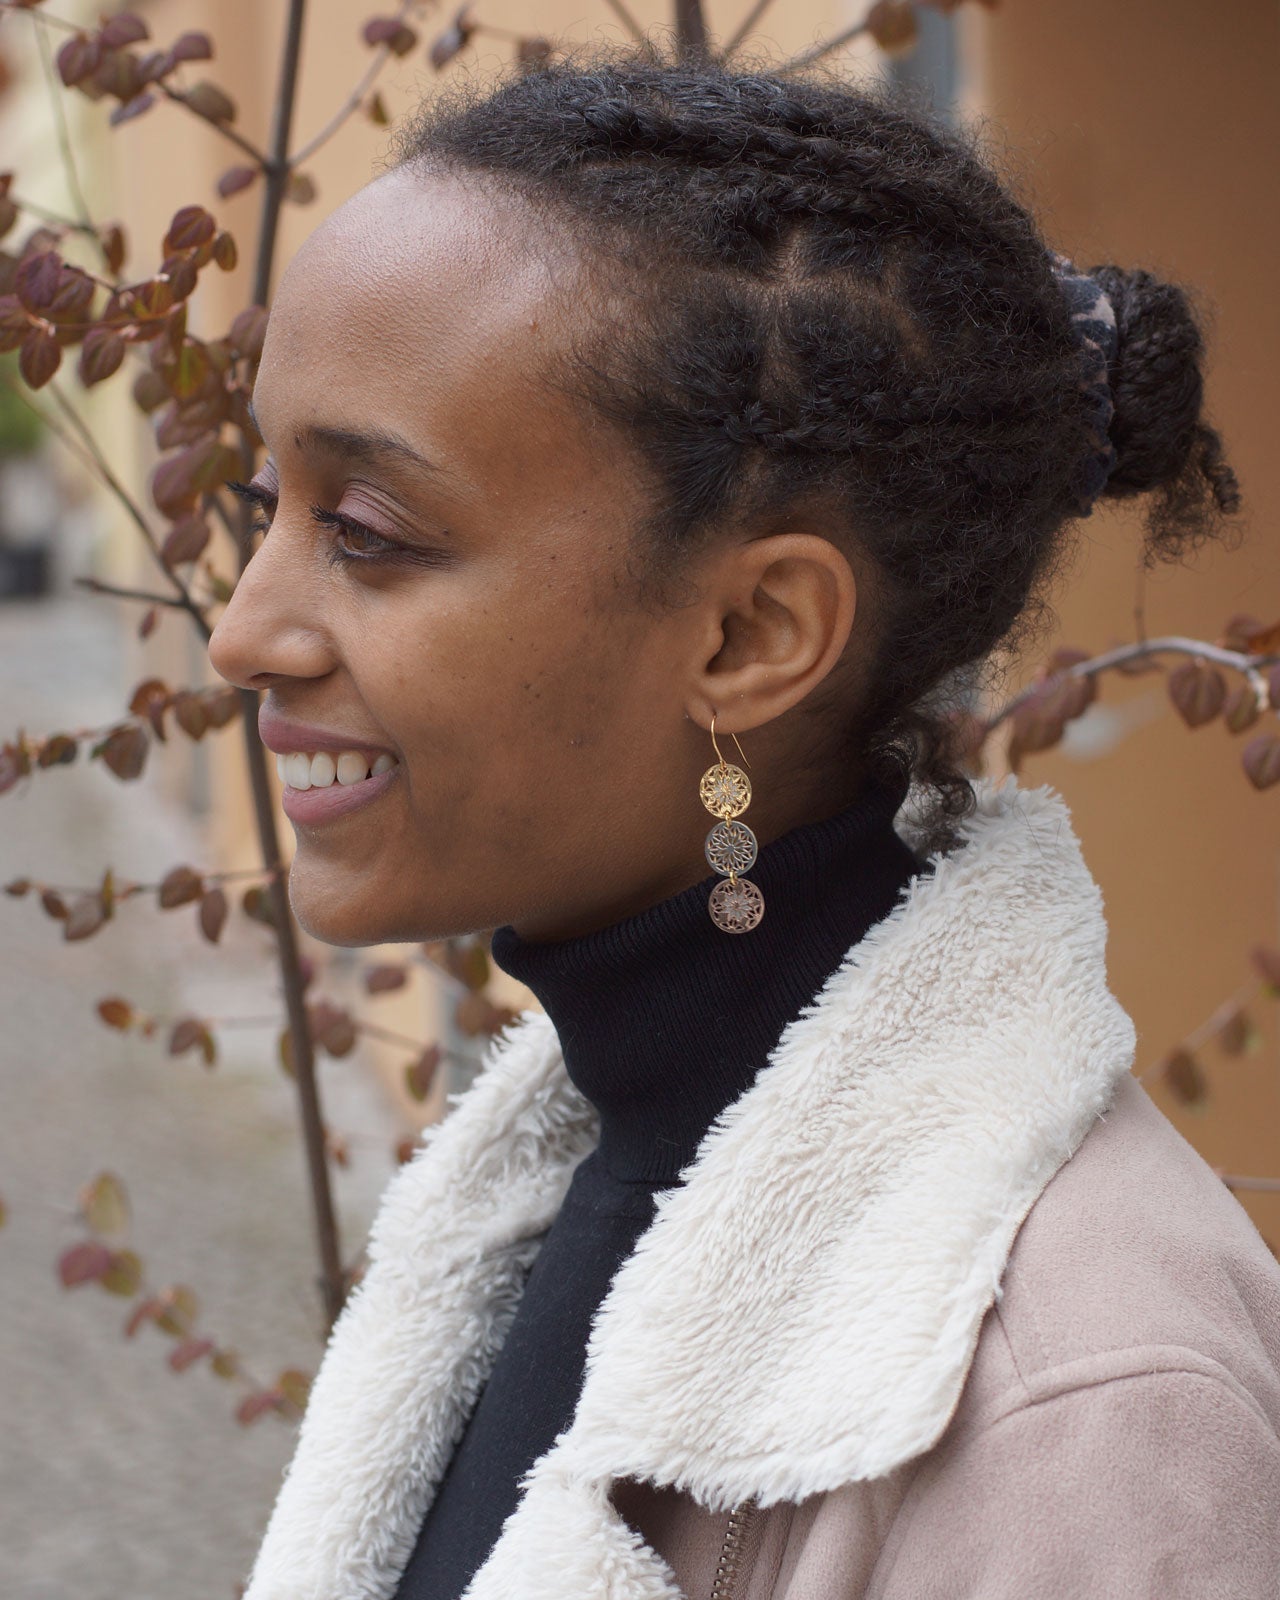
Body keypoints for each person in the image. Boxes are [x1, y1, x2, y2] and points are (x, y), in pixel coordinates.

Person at [207, 53, 1280, 1600]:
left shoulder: (1081, 1407)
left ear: (749, 636)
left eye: (367, 535)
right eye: (268, 510)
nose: (245, 634)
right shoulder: (561, 1177)